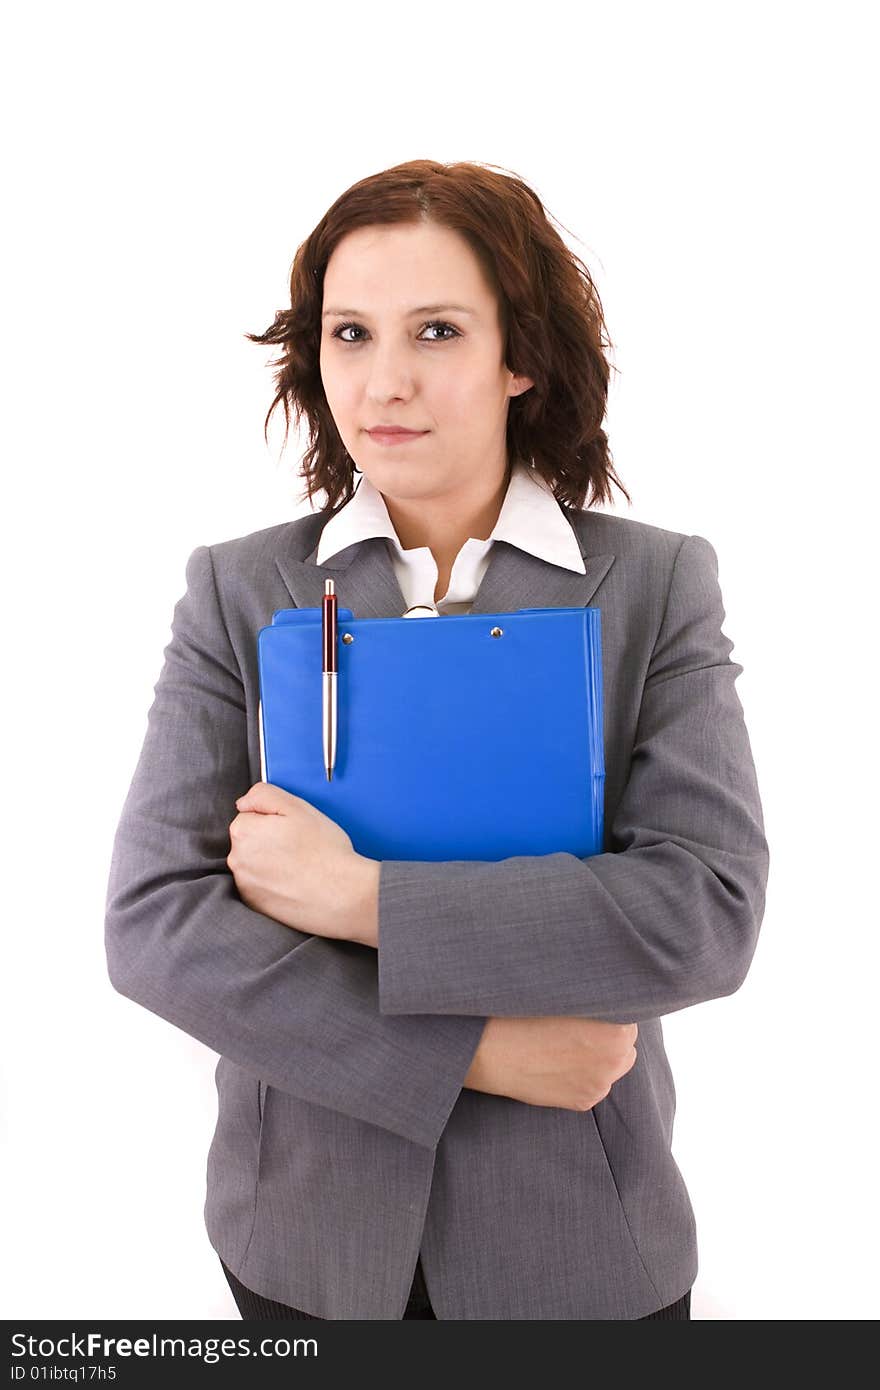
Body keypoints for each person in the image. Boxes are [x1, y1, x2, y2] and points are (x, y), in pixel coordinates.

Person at [104, 159, 769, 1321]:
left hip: (578, 1249)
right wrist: (468, 1055)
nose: (385, 381)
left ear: (520, 359)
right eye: (350, 333)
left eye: (438, 331)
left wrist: (364, 900)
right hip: (300, 1244)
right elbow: (158, 927)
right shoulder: (242, 587)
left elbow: (701, 912)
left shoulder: (655, 586)